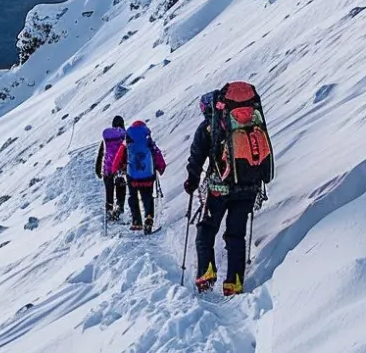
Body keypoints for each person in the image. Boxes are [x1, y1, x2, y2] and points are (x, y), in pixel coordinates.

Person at [185, 82, 274, 296]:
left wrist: (192, 181)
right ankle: (234, 282)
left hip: (219, 187)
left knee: (206, 228)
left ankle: (207, 272)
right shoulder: (251, 121)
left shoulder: (209, 126)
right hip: (249, 186)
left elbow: (197, 157)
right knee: (236, 234)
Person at [110, 119, 166, 233]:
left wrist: (114, 169)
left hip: (132, 176)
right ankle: (148, 218)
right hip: (148, 175)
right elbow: (157, 153)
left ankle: (136, 222)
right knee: (148, 197)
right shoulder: (148, 141)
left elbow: (119, 155)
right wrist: (161, 168)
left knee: (132, 196)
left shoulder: (128, 141)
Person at [94, 116, 127, 222]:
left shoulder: (107, 138)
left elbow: (100, 154)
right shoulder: (124, 136)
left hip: (107, 169)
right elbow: (128, 152)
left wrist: (98, 170)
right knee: (120, 187)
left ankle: (109, 209)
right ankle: (119, 208)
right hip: (120, 168)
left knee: (109, 190)